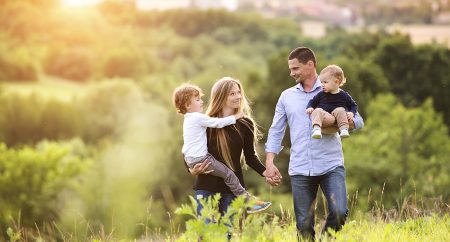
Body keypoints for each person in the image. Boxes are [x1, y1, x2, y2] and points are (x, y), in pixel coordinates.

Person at [263, 47, 364, 241]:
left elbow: (359, 120)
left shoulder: (335, 89)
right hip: (300, 167)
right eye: (291, 69)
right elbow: (276, 130)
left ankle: (326, 239)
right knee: (303, 224)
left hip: (330, 164)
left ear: (310, 65)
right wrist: (269, 162)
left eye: (295, 68)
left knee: (339, 211)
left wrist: (349, 122)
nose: (291, 73)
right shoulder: (287, 96)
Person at [172, 83, 271, 214]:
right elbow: (189, 148)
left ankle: (248, 201)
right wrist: (191, 170)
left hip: (231, 191)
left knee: (228, 233)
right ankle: (248, 201)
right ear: (221, 97)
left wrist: (266, 173)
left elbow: (250, 156)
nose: (238, 96)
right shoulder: (206, 121)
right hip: (206, 187)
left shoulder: (245, 124)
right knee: (206, 231)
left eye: (238, 92)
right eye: (232, 93)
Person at [306, 64, 358, 139]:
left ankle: (344, 129)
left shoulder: (344, 95)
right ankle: (316, 129)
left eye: (325, 82)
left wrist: (352, 113)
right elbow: (312, 102)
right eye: (321, 82)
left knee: (340, 110)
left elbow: (353, 105)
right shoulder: (321, 94)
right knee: (317, 110)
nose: (322, 85)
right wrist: (310, 107)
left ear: (336, 82)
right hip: (327, 119)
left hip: (338, 121)